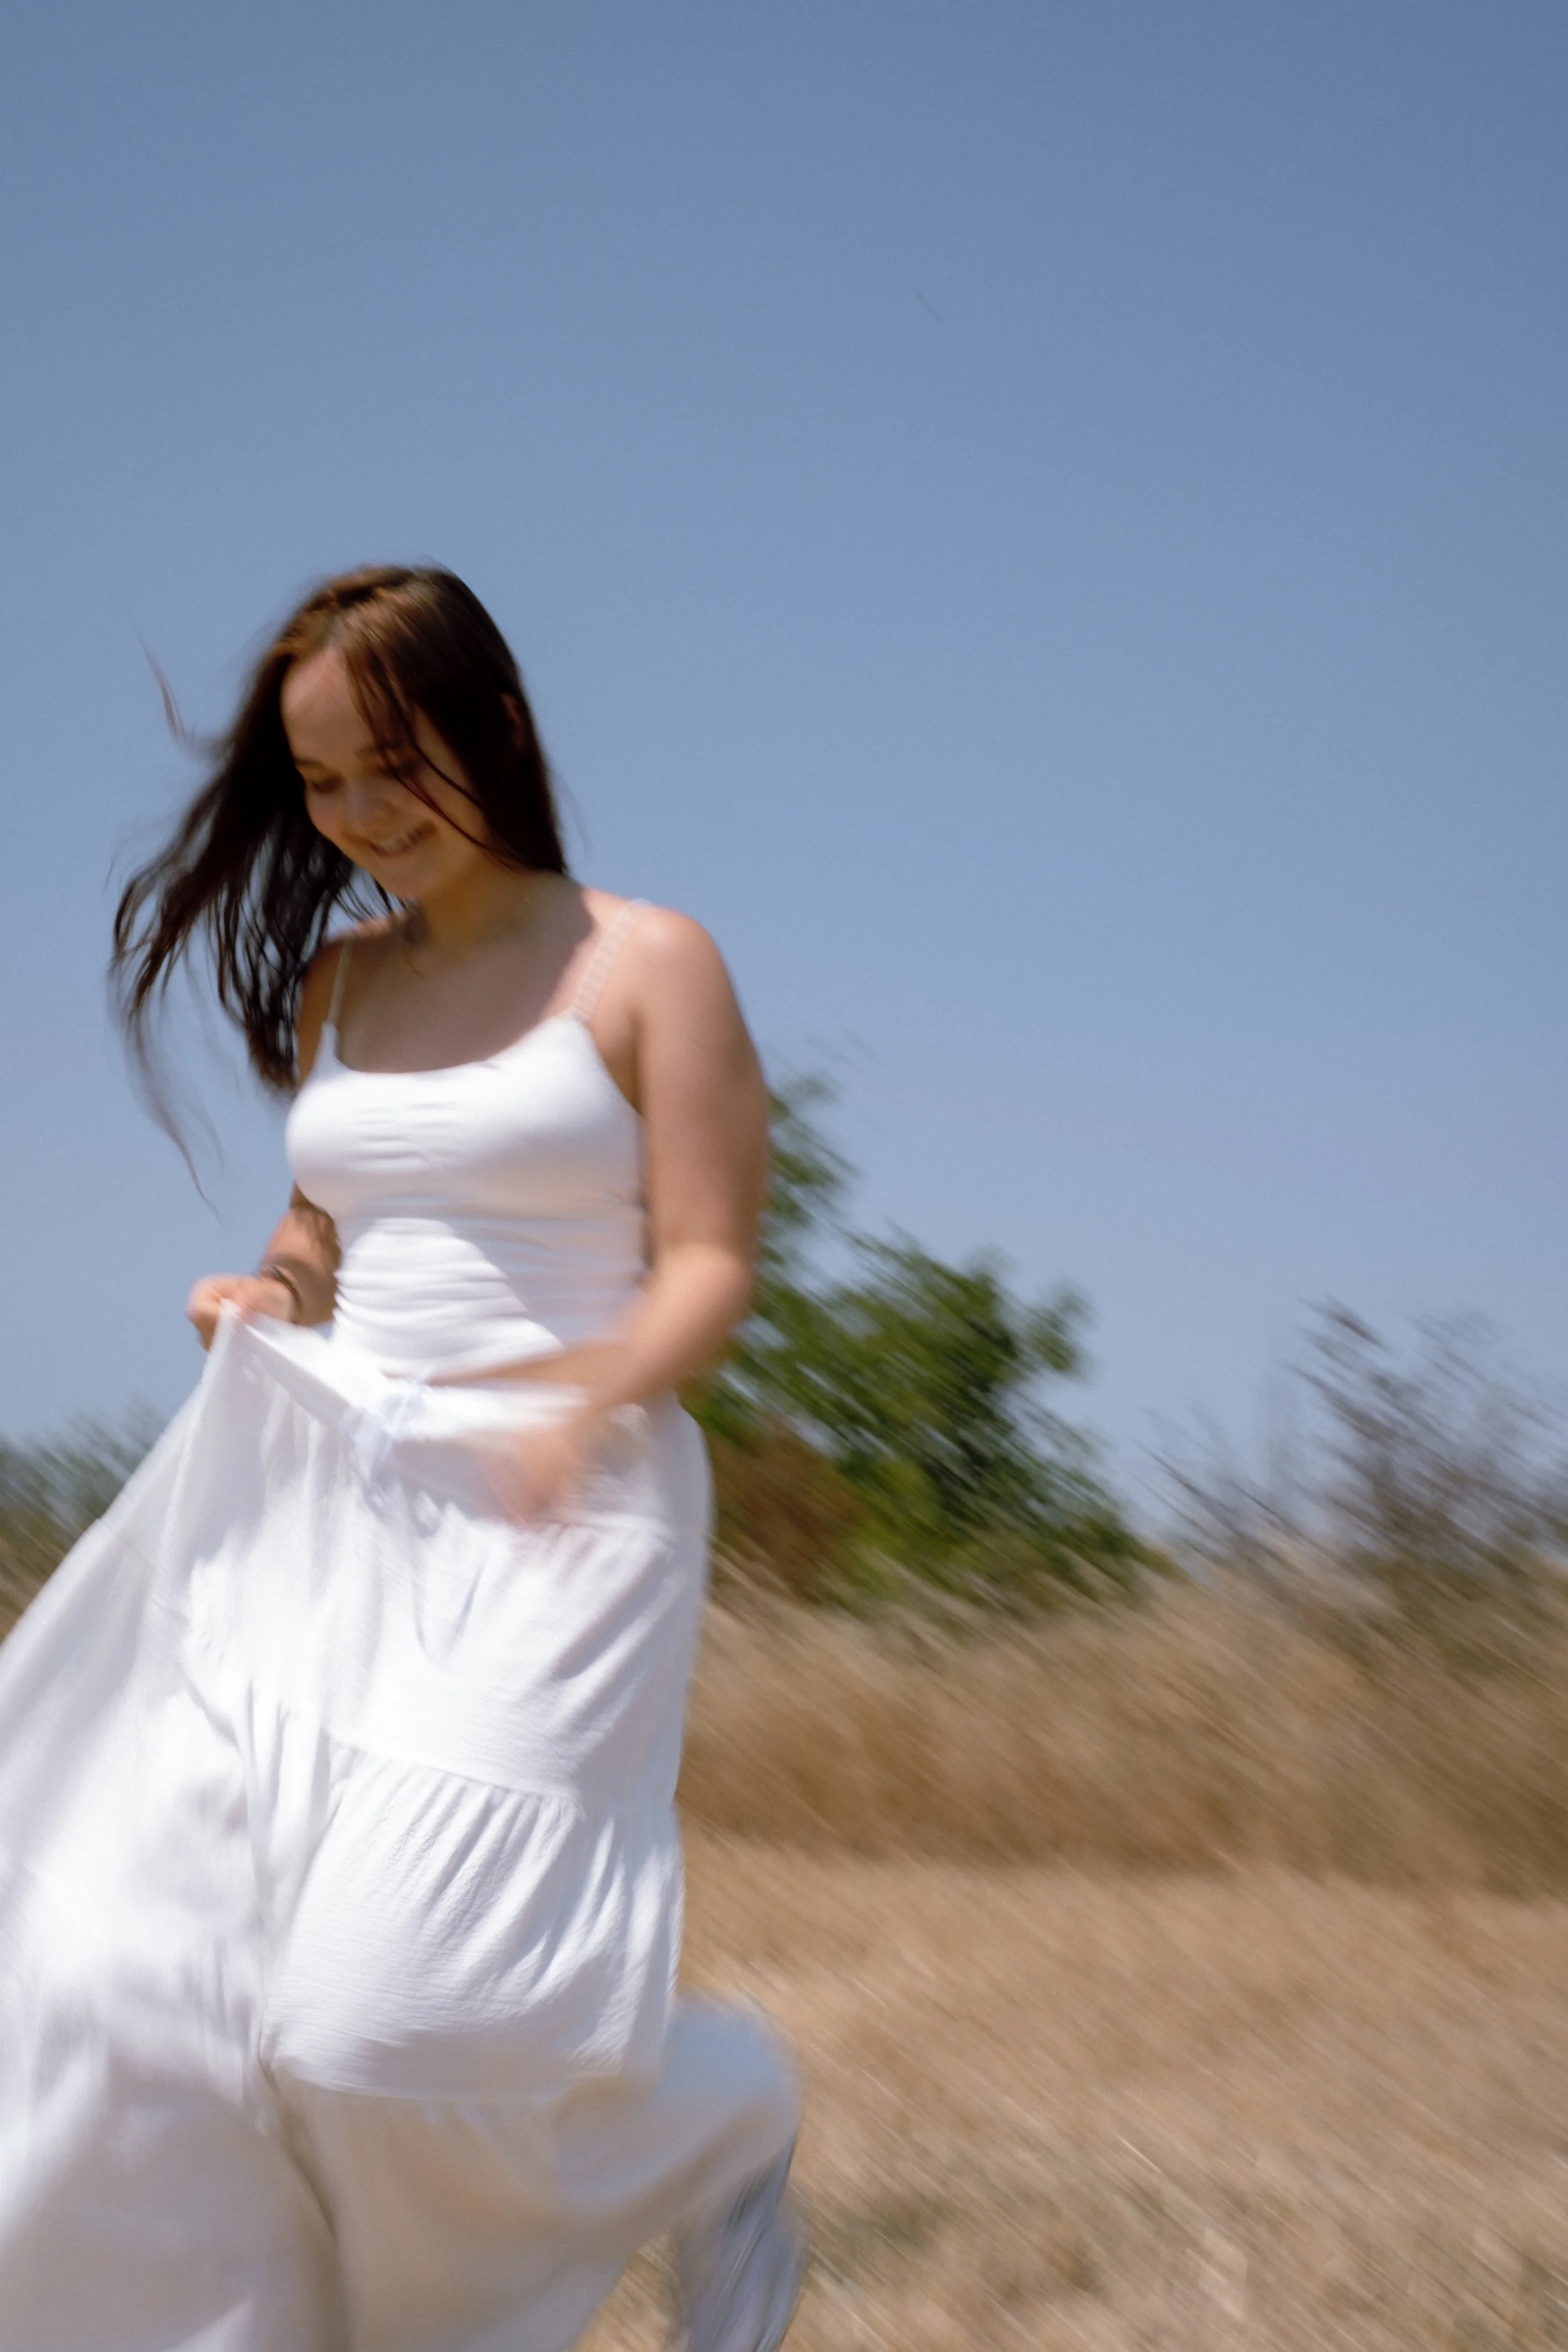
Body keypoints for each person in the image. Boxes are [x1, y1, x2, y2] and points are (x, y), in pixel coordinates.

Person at [0, 566, 803, 2351]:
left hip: (560, 1516)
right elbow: (326, 1216)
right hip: (329, 1495)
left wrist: (584, 1398)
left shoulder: (645, 960)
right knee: (157, 1986)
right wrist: (271, 1287)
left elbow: (713, 1265)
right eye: (322, 784)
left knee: (384, 2017)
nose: (358, 815)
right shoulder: (341, 983)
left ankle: (721, 2103)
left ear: (497, 727)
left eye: (391, 764)